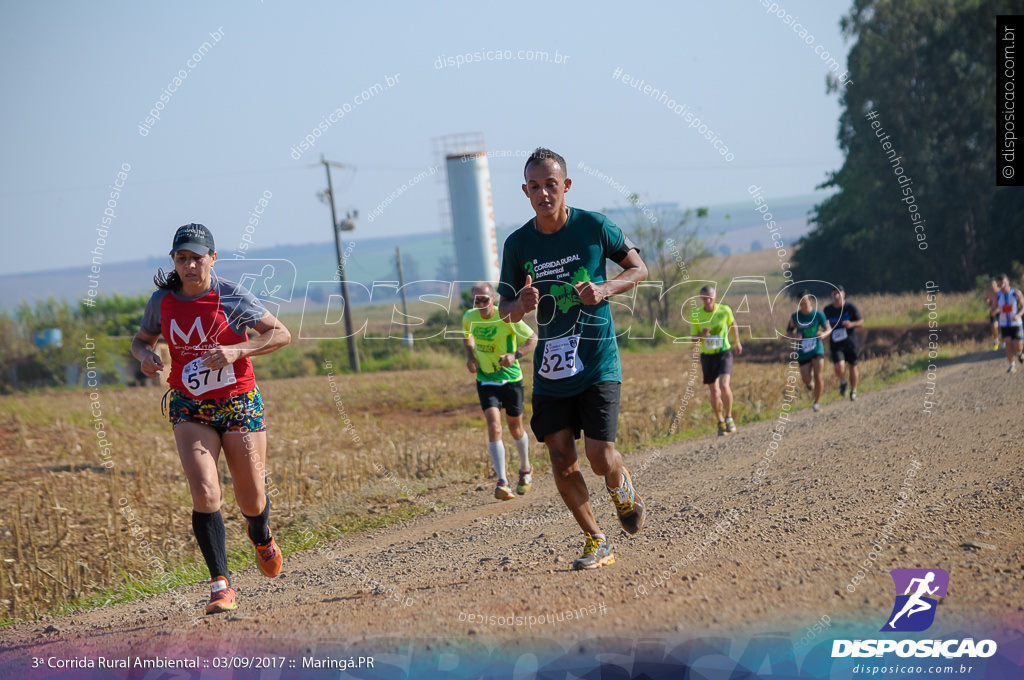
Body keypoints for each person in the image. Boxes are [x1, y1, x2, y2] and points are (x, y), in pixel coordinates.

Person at [498, 148, 648, 571]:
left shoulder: (594, 227)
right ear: (525, 191)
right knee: (562, 456)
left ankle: (622, 489)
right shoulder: (518, 244)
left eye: (551, 184)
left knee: (601, 457)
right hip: (551, 366)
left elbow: (639, 269)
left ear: (565, 186)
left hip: (598, 358)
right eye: (535, 186)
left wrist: (604, 289)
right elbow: (503, 306)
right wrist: (520, 304)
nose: (543, 193)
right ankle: (596, 539)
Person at [132, 223, 292, 615]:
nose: (188, 266)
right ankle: (220, 584)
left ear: (212, 259)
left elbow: (280, 334)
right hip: (189, 405)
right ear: (174, 261)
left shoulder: (231, 296)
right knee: (205, 492)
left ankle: (261, 534)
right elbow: (141, 340)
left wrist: (239, 351)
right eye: (181, 258)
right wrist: (146, 358)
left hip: (238, 403)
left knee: (251, 497)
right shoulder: (162, 301)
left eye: (196, 258)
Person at [462, 281, 538, 500]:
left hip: (511, 379)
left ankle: (525, 468)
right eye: (475, 301)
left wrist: (515, 356)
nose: (480, 305)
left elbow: (533, 338)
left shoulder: (506, 316)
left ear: (493, 299)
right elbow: (467, 335)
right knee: (494, 425)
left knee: (515, 428)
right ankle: (502, 481)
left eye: (484, 300)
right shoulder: (469, 316)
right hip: (486, 379)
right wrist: (470, 356)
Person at [689, 285, 742, 435]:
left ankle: (729, 417)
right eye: (704, 297)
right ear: (701, 298)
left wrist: (737, 342)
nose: (707, 300)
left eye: (710, 297)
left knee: (725, 386)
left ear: (715, 296)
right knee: (714, 392)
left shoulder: (724, 310)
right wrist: (701, 334)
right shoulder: (696, 315)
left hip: (723, 352)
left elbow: (733, 324)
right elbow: (693, 339)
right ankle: (719, 421)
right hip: (707, 355)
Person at [786, 290, 831, 412]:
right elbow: (788, 332)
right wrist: (794, 336)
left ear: (810, 301)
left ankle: (817, 402)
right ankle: (810, 385)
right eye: (801, 303)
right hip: (803, 350)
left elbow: (828, 328)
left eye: (805, 302)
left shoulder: (819, 315)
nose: (803, 305)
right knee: (806, 378)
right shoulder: (795, 317)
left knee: (818, 375)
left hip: (817, 348)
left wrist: (823, 334)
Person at [822, 285, 864, 401]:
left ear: (843, 294)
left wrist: (852, 324)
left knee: (852, 366)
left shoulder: (850, 307)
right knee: (838, 366)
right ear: (831, 295)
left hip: (850, 342)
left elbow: (861, 321)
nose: (836, 296)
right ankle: (843, 381)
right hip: (836, 344)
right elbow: (824, 324)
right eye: (834, 293)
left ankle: (854, 390)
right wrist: (824, 331)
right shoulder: (827, 310)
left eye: (838, 293)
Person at [994, 274, 1024, 372]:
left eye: (1003, 283)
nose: (1001, 286)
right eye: (999, 284)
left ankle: (1020, 354)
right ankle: (1012, 365)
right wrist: (994, 311)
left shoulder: (1016, 293)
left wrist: (1018, 315)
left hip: (1016, 324)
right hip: (1004, 324)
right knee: (1007, 343)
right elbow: (994, 308)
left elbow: (1023, 307)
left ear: (1008, 282)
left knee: (1017, 345)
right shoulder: (998, 296)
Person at [984, 279, 1001, 351]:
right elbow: (986, 299)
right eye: (990, 285)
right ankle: (996, 340)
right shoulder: (989, 293)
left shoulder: (1000, 292)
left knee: (1003, 327)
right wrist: (988, 302)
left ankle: (1004, 342)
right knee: (994, 326)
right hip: (993, 312)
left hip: (1001, 311)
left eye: (993, 285)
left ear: (996, 284)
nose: (992, 287)